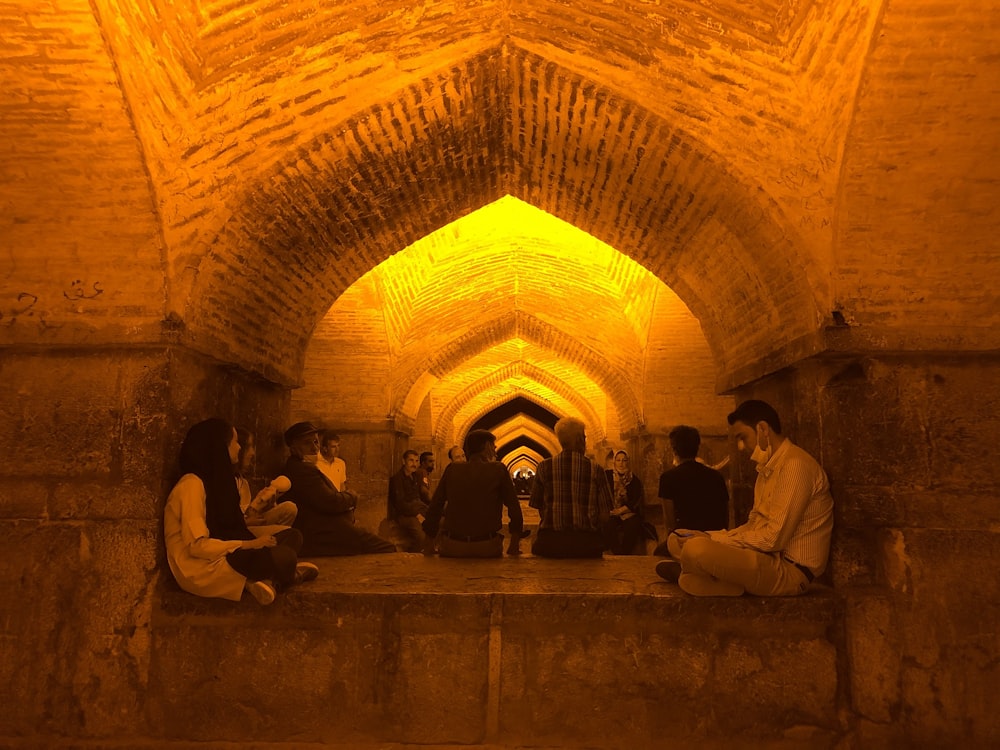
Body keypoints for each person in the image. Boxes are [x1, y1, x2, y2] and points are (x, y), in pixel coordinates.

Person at [655, 400, 834, 597]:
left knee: (696, 548)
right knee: (678, 537)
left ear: (763, 429)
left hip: (788, 571)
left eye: (743, 437)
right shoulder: (767, 470)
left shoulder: (795, 466)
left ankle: (696, 573)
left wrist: (712, 539)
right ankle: (715, 580)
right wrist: (710, 536)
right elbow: (753, 525)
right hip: (762, 558)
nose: (741, 446)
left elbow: (773, 539)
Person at [164, 418, 318, 606]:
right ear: (219, 446)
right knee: (285, 557)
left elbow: (230, 527)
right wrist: (249, 544)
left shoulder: (216, 480)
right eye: (235, 442)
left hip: (221, 550)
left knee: (290, 537)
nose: (239, 448)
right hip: (201, 568)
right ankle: (285, 575)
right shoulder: (191, 485)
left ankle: (270, 580)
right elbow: (198, 547)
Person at [281, 421, 396, 556]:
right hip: (323, 531)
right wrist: (352, 496)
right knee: (385, 547)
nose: (314, 448)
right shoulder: (302, 470)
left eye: (316, 442)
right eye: (307, 443)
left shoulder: (307, 466)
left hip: (331, 525)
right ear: (294, 447)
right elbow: (330, 501)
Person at [422, 430, 525, 557]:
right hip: (487, 546)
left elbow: (435, 506)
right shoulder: (498, 469)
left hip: (453, 546)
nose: (495, 449)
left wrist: (429, 542)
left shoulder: (452, 469)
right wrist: (514, 544)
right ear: (487, 446)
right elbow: (514, 507)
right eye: (493, 445)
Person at [529, 417, 613, 558]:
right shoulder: (596, 469)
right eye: (584, 438)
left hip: (550, 544)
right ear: (580, 440)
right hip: (586, 544)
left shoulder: (544, 467)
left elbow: (540, 508)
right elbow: (605, 515)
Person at [654, 425, 729, 555]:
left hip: (686, 541)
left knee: (658, 553)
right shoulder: (716, 477)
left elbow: (670, 523)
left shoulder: (668, 478)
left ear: (674, 450)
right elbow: (724, 517)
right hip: (714, 540)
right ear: (697, 448)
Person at [235, 427, 298, 530]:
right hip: (238, 530)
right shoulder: (222, 481)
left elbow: (247, 511)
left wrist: (261, 505)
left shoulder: (242, 481)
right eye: (248, 447)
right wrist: (246, 522)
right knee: (289, 534)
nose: (253, 453)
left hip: (247, 523)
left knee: (289, 508)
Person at [603, 449, 656, 555]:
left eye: (624, 460)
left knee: (633, 525)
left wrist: (621, 510)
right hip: (612, 511)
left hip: (628, 512)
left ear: (628, 462)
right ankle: (617, 552)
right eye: (618, 460)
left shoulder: (634, 480)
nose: (621, 463)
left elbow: (635, 500)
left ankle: (625, 553)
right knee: (608, 524)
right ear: (614, 462)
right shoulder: (607, 476)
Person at [387, 449, 427, 552]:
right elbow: (400, 504)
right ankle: (414, 554)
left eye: (416, 461)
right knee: (420, 536)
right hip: (405, 515)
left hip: (418, 509)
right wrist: (417, 515)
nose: (414, 464)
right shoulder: (397, 479)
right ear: (403, 461)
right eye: (411, 460)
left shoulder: (416, 476)